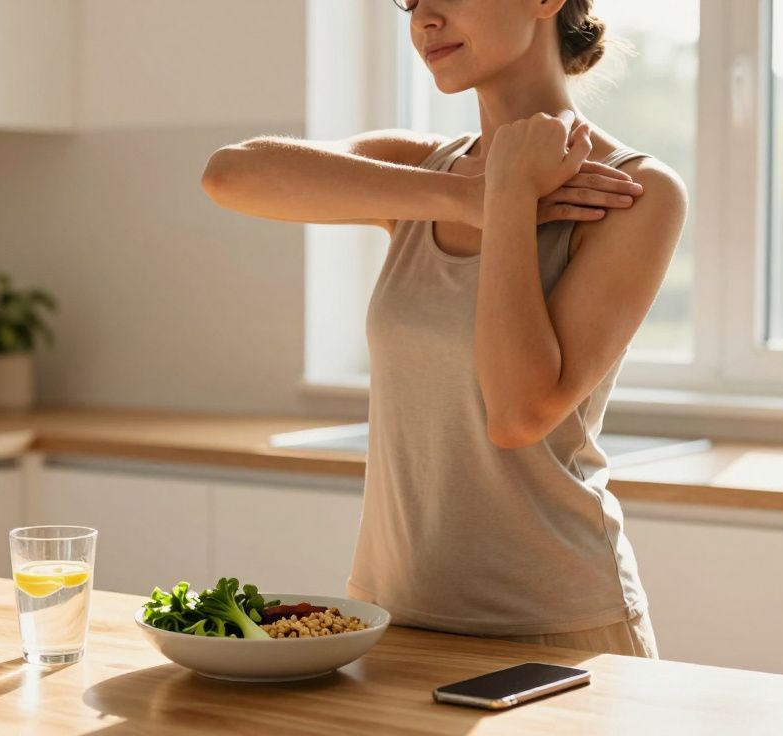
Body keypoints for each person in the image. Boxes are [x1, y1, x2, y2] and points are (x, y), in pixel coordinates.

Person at [200, 0, 686, 657]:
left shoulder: (632, 191)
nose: (424, 18)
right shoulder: (416, 168)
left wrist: (511, 198)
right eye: (409, 0)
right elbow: (229, 175)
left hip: (555, 628)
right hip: (390, 617)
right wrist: (469, 194)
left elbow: (518, 413)